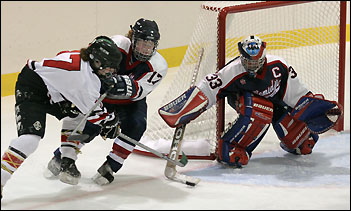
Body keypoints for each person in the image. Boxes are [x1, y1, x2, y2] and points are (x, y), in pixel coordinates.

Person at [159, 35, 342, 168]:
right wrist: (185, 108)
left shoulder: (279, 65)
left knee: (302, 144)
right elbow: (209, 87)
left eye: (256, 62)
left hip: (277, 101)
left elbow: (297, 93)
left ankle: (295, 140)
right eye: (248, 62)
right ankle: (232, 146)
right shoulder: (233, 70)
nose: (252, 67)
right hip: (246, 101)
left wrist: (313, 109)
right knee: (260, 111)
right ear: (241, 57)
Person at [46, 18, 168, 185]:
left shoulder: (158, 65)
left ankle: (110, 167)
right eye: (141, 43)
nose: (145, 49)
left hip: (130, 102)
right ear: (133, 39)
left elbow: (139, 92)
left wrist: (122, 83)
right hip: (102, 95)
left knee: (137, 124)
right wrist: (104, 79)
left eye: (150, 45)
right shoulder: (117, 44)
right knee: (90, 126)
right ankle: (62, 156)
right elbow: (91, 62)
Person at [0, 35, 123, 198]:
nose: (111, 71)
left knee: (76, 114)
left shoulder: (83, 61)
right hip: (32, 88)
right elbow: (94, 113)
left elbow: (61, 55)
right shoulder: (84, 80)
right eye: (108, 67)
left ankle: (67, 160)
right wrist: (111, 122)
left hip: (52, 90)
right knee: (30, 139)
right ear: (96, 61)